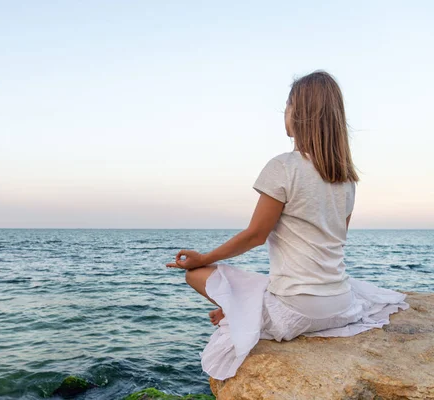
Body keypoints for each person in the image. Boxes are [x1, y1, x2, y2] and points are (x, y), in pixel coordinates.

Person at [165, 70, 410, 381]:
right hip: (340, 304)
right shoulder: (347, 179)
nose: (285, 113)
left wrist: (204, 258)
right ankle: (238, 309)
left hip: (300, 311)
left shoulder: (283, 166)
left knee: (196, 275)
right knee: (261, 285)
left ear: (302, 115)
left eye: (288, 106)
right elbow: (336, 239)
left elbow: (255, 236)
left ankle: (237, 310)